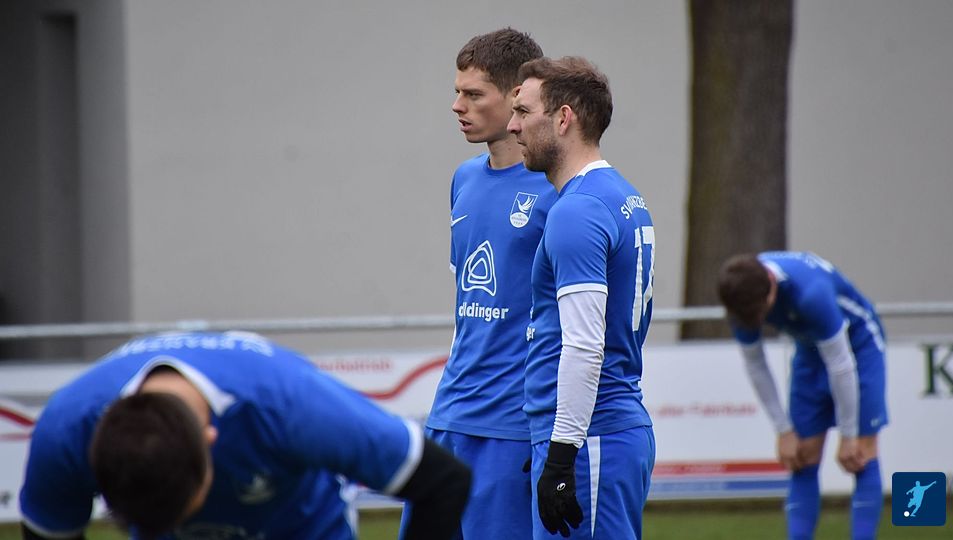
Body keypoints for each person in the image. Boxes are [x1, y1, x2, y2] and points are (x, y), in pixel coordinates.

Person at [19, 331, 471, 540]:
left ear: (211, 440)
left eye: (184, 513)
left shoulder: (291, 405)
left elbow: (444, 480)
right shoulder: (67, 430)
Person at [410, 28, 555, 539]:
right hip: (448, 416)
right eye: (457, 92)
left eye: (473, 94)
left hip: (512, 425)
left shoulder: (558, 190)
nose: (457, 106)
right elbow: (467, 300)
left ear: (516, 97)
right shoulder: (464, 179)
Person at [508, 56, 656, 539]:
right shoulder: (618, 194)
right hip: (597, 434)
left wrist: (562, 453)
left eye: (524, 111)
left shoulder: (577, 210)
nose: (512, 126)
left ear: (563, 118)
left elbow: (585, 344)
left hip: (592, 437)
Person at [716, 251, 888, 540]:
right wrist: (783, 430)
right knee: (802, 455)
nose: (758, 321)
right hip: (809, 351)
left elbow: (841, 364)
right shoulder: (741, 297)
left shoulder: (811, 294)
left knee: (860, 453)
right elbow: (755, 364)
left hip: (859, 346)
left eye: (762, 312)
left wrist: (848, 435)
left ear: (772, 286)